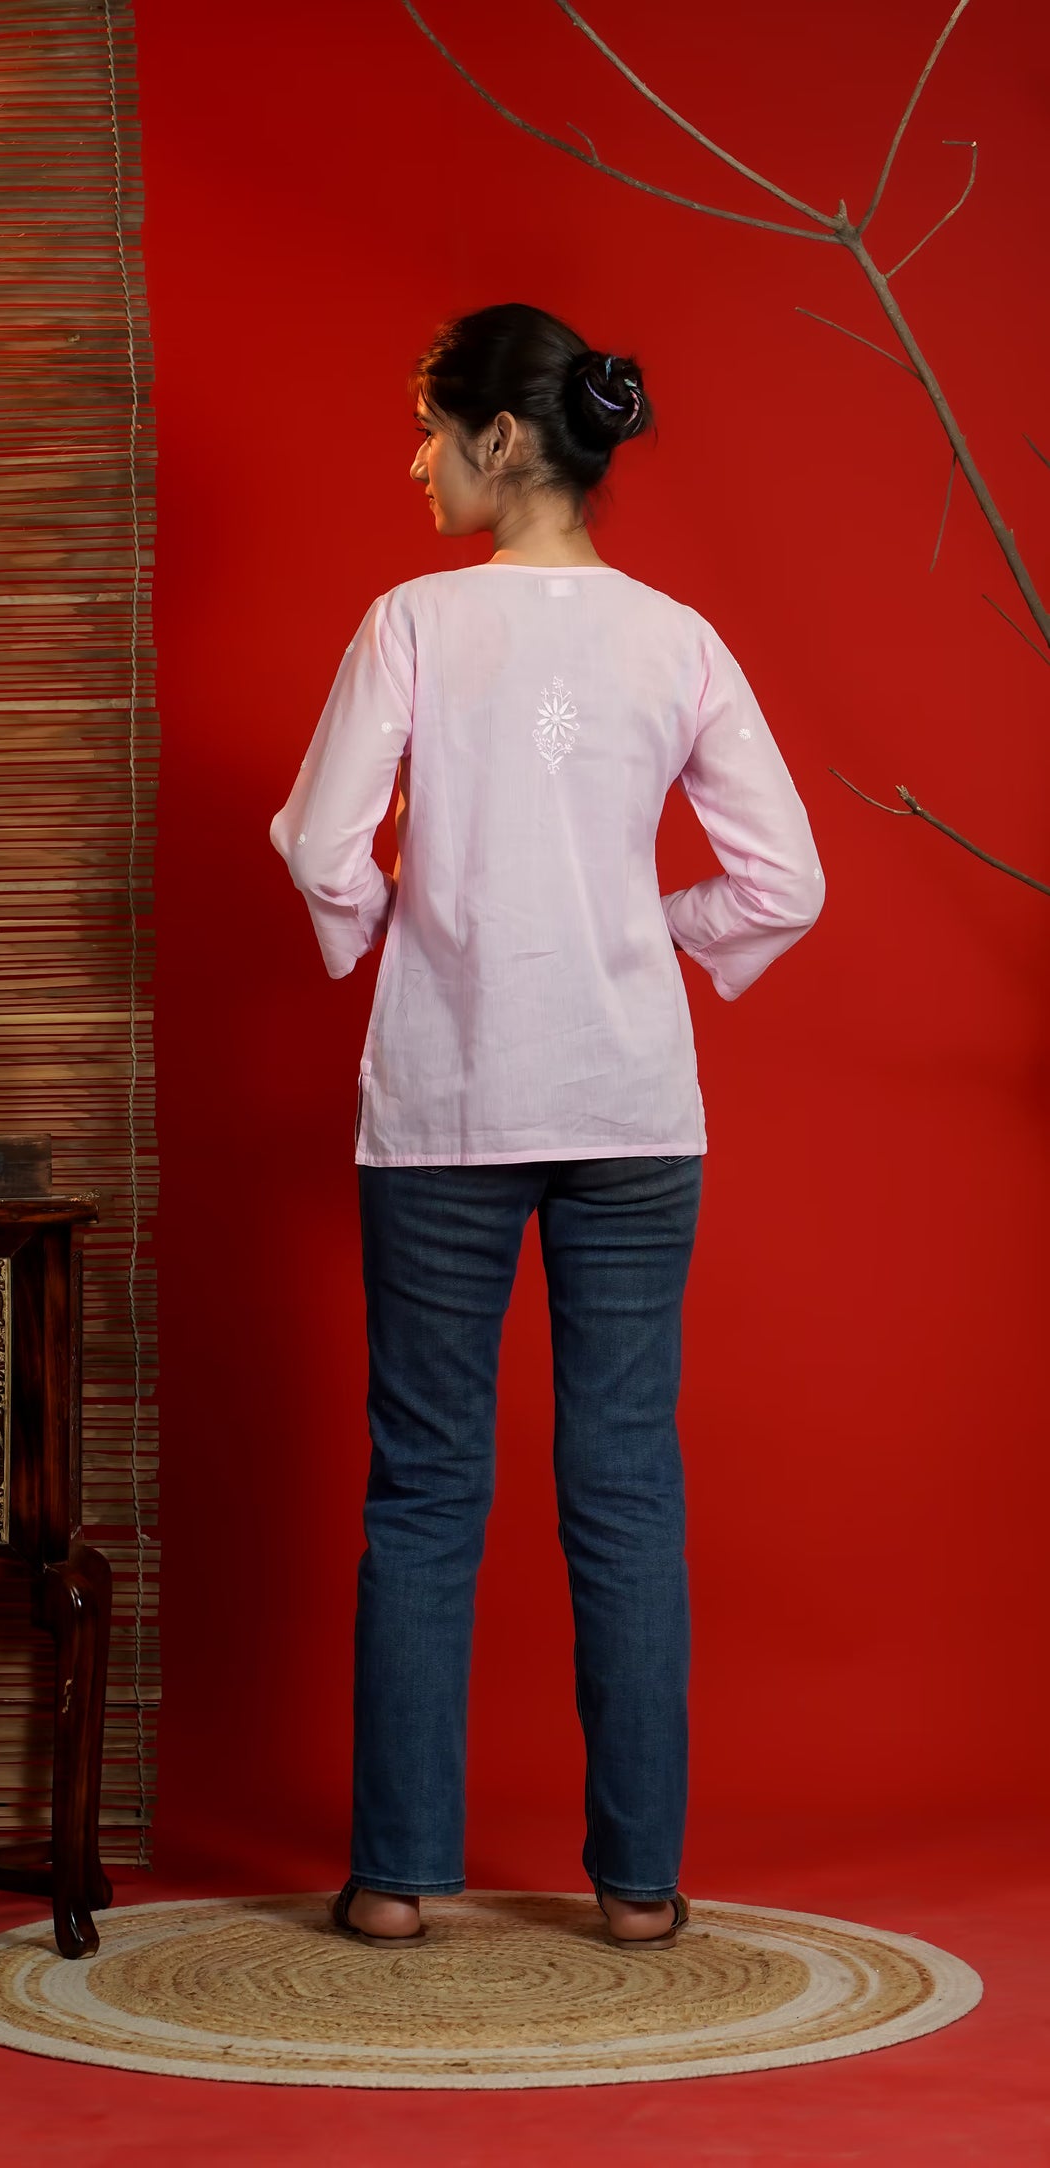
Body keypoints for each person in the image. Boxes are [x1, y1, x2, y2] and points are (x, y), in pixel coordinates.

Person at [268, 302, 825, 1951]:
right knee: (627, 1485)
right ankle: (639, 1891)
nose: (415, 461)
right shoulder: (679, 640)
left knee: (425, 1488)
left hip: (445, 1105)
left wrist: (391, 930)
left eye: (430, 430)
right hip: (632, 1106)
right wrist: (654, 931)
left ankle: (393, 1879)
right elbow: (785, 884)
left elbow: (314, 845)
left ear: (500, 441)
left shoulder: (412, 623)